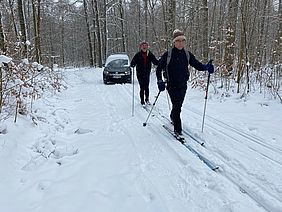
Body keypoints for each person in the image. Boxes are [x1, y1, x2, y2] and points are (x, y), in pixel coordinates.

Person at [156, 29, 214, 137]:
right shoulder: (168, 55)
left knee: (178, 106)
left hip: (183, 85)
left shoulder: (187, 54)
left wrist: (207, 67)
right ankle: (178, 131)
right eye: (178, 41)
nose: (181, 43)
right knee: (177, 106)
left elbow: (197, 65)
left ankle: (173, 117)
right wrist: (159, 80)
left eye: (183, 40)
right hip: (171, 85)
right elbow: (158, 69)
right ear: (174, 42)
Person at [131, 41, 159, 105]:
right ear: (141, 47)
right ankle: (142, 101)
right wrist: (132, 64)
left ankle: (147, 99)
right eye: (143, 45)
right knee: (142, 87)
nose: (144, 47)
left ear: (147, 47)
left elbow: (155, 62)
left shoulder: (149, 54)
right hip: (140, 73)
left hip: (147, 73)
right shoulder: (138, 54)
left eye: (145, 45)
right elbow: (133, 63)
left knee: (147, 87)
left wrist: (161, 62)